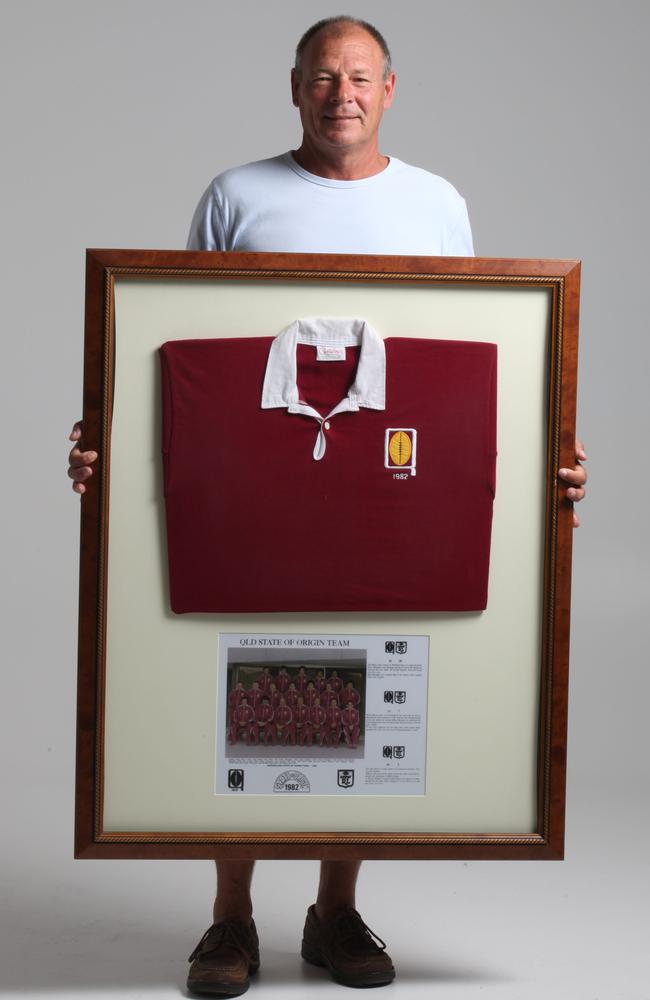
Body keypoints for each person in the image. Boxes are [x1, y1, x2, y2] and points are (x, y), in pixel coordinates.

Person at [68, 14, 588, 997]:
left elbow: (477, 357)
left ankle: (333, 909)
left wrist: (547, 460)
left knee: (354, 675)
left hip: (383, 475)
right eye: (320, 76)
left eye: (357, 76)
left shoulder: (436, 204)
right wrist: (106, 438)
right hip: (256, 479)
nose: (338, 92)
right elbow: (172, 338)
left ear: (389, 88)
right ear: (294, 86)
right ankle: (229, 917)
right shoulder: (235, 195)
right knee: (248, 678)